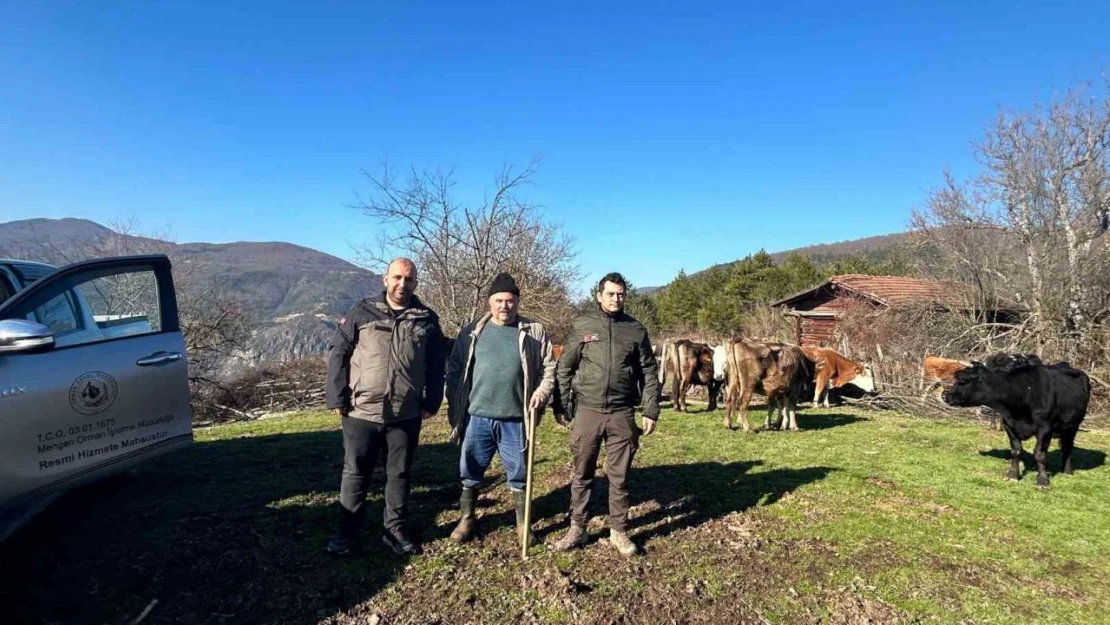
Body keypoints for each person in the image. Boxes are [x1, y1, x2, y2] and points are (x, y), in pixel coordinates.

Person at [324, 257, 446, 556]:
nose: (402, 284)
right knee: (355, 473)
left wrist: (432, 401)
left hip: (405, 412)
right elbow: (338, 352)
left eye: (409, 279)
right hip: (361, 411)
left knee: (400, 474)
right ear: (385, 279)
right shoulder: (362, 310)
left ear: (416, 283)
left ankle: (394, 531)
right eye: (397, 278)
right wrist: (337, 397)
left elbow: (435, 364)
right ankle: (346, 532)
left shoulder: (427, 319)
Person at [549, 272, 660, 557]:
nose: (616, 298)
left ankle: (619, 530)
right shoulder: (582, 325)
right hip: (587, 410)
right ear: (599, 295)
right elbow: (565, 368)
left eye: (620, 294)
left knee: (619, 476)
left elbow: (649, 371)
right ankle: (577, 527)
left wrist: (650, 408)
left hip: (622, 412)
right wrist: (561, 405)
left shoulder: (635, 330)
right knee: (581, 472)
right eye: (610, 293)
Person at [445, 273, 556, 546]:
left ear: (517, 302)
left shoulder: (534, 331)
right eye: (498, 301)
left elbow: (549, 369)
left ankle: (522, 523)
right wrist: (455, 399)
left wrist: (541, 393)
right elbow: (456, 368)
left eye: (509, 301)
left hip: (516, 418)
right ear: (489, 302)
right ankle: (467, 518)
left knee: (519, 473)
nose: (504, 306)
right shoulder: (472, 333)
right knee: (469, 470)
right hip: (477, 416)